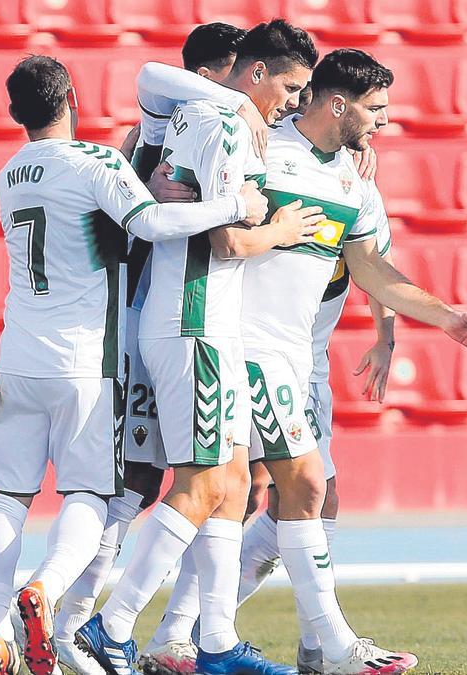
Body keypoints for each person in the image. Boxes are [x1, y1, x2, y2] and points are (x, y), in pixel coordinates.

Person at [0, 54, 268, 675]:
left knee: (5, 497)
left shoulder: (8, 174)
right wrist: (231, 203)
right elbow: (154, 223)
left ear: (14, 113)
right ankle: (48, 590)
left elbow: (93, 226)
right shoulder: (97, 161)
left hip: (15, 357)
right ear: (72, 100)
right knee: (88, 491)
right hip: (84, 360)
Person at [74, 19, 324, 675]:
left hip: (197, 323)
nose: (293, 103)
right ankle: (112, 622)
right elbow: (229, 241)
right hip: (196, 323)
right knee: (199, 483)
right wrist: (280, 227)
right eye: (291, 87)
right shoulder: (230, 123)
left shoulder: (191, 116)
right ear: (258, 73)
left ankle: (215, 641)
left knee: (235, 481)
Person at [243, 47, 467, 675]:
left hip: (297, 359)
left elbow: (372, 269)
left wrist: (444, 317)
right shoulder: (260, 149)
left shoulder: (349, 180)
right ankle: (327, 646)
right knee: (280, 490)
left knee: (272, 496)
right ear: (337, 104)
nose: (383, 121)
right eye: (375, 108)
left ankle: (182, 634)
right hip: (239, 348)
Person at [51, 24, 253, 672]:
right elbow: (149, 76)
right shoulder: (165, 123)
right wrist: (240, 105)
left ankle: (152, 632)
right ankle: (79, 625)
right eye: (235, 74)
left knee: (190, 480)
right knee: (143, 483)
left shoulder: (184, 131)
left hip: (148, 319)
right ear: (213, 73)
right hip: (142, 321)